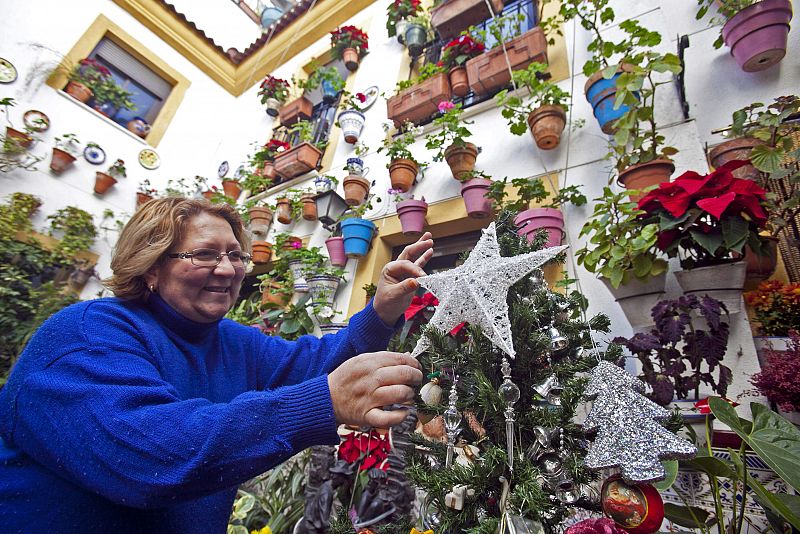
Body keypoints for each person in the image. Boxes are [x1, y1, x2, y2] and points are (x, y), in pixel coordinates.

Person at [0, 197, 433, 533]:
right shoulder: (85, 336)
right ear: (150, 266)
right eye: (205, 255)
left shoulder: (230, 340)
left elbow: (316, 366)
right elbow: (151, 455)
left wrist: (380, 312)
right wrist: (320, 402)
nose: (228, 270)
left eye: (236, 256)